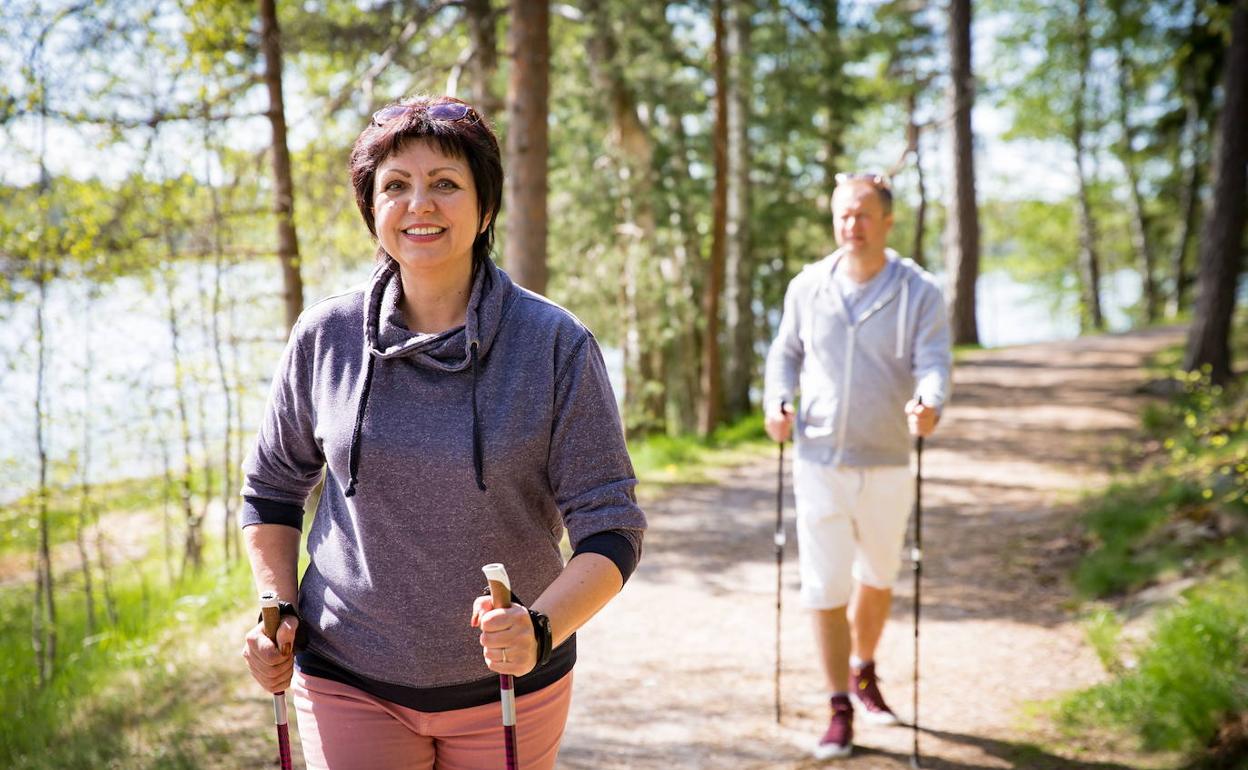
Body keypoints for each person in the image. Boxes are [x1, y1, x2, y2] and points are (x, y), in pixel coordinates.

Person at [240, 95, 647, 770]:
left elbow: (612, 525)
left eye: (446, 184)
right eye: (395, 185)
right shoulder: (326, 337)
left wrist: (540, 630)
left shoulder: (554, 344)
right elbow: (273, 491)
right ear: (371, 208)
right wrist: (275, 607)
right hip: (347, 675)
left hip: (511, 686)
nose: (419, 204)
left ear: (486, 208)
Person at [762, 172, 951, 759]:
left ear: (887, 221)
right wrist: (777, 401)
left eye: (864, 215)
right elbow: (784, 354)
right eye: (844, 215)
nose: (852, 225)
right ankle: (838, 705)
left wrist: (931, 402)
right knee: (824, 584)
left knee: (878, 576)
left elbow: (934, 362)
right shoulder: (809, 286)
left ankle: (863, 667)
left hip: (889, 458)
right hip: (817, 457)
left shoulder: (919, 290)